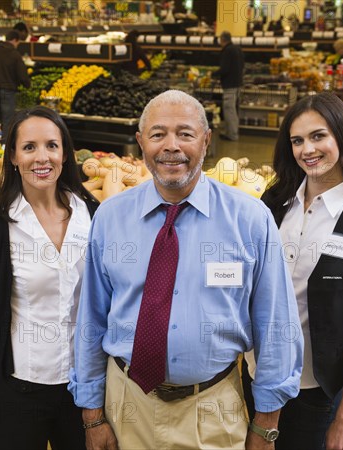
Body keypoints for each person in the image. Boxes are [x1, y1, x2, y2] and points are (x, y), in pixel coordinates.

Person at [69, 89, 303, 450]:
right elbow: (91, 320)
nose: (171, 146)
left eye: (185, 133)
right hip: (126, 404)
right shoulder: (111, 217)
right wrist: (92, 414)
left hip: (213, 409)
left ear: (206, 141)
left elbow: (276, 326)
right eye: (158, 133)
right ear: (140, 143)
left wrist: (266, 425)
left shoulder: (250, 219)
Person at [243, 92, 343, 450]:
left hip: (312, 392)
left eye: (318, 136)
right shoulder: (275, 203)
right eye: (297, 140)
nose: (306, 149)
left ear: (342, 136)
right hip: (254, 375)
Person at [0, 106, 100, 450]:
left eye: (51, 146)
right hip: (18, 389)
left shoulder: (93, 215)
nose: (42, 157)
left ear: (65, 153)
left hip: (84, 389)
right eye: (29, 147)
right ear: (12, 156)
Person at [0, 30, 31, 134]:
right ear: (15, 40)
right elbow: (22, 75)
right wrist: (27, 85)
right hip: (8, 91)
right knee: (8, 121)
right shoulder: (14, 54)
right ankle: (5, 146)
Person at [212, 31, 244, 141]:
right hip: (238, 84)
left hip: (230, 85)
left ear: (222, 40)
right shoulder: (237, 49)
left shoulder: (227, 51)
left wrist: (212, 74)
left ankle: (232, 135)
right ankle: (231, 132)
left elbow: (224, 69)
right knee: (233, 110)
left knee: (229, 109)